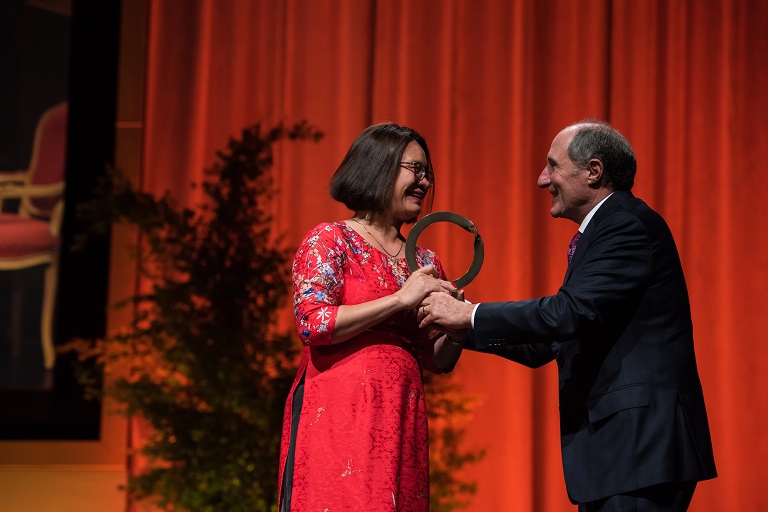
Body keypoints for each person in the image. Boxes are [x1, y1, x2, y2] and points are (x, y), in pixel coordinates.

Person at [418, 120, 717, 511]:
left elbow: (567, 314)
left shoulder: (626, 225)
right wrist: (458, 327)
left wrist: (469, 313)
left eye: (553, 166)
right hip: (621, 454)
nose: (543, 180)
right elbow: (553, 340)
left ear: (593, 171)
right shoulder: (605, 231)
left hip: (640, 446)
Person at [277, 123, 465, 512]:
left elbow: (435, 359)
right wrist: (400, 299)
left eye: (427, 173)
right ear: (379, 167)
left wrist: (458, 325)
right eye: (415, 169)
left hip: (401, 412)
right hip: (339, 410)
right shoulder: (330, 239)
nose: (425, 181)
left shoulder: (426, 262)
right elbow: (314, 323)